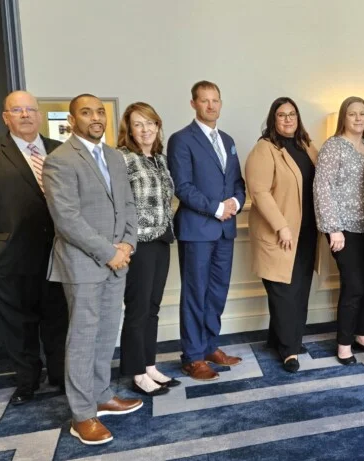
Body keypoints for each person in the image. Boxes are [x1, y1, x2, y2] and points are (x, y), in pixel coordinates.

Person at [43, 94, 141, 445]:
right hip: (84, 263)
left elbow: (129, 204)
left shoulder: (114, 156)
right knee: (83, 338)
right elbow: (66, 219)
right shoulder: (60, 160)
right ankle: (82, 415)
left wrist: (127, 245)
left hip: (119, 261)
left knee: (106, 332)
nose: (95, 118)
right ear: (72, 119)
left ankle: (102, 395)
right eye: (86, 112)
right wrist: (107, 252)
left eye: (100, 112)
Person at [0, 90, 68, 405]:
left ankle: (61, 376)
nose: (25, 115)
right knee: (18, 324)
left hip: (58, 253)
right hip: (9, 256)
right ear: (5, 116)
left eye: (30, 109)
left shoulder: (60, 151)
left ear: (38, 115)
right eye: (17, 110)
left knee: (58, 319)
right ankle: (27, 382)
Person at [167, 81, 246, 382]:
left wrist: (236, 203)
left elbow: (238, 182)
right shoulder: (181, 140)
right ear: (193, 104)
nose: (211, 106)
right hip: (197, 229)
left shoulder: (227, 140)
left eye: (215, 100)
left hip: (225, 229)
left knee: (216, 292)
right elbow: (182, 186)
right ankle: (193, 356)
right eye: (204, 101)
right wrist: (216, 208)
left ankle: (211, 345)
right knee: (195, 294)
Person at [246, 97, 319, 373]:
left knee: (299, 289)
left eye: (292, 114)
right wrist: (281, 226)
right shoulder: (264, 149)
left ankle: (282, 339)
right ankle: (289, 351)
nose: (288, 119)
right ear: (273, 119)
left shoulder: (307, 146)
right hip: (280, 233)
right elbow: (260, 192)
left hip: (307, 231)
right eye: (281, 115)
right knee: (283, 291)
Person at [117, 102, 180, 395]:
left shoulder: (160, 159)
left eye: (150, 123)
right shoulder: (122, 159)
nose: (146, 129)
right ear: (129, 129)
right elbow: (117, 204)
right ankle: (136, 371)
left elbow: (168, 198)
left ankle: (150, 365)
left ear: (158, 126)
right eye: (139, 124)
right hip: (138, 243)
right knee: (138, 309)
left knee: (153, 308)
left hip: (162, 240)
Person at [314, 96, 364, 365]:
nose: (358, 118)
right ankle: (343, 343)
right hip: (344, 230)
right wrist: (333, 229)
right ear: (343, 117)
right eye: (352, 114)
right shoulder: (333, 147)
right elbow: (322, 188)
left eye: (362, 113)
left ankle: (362, 334)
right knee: (353, 286)